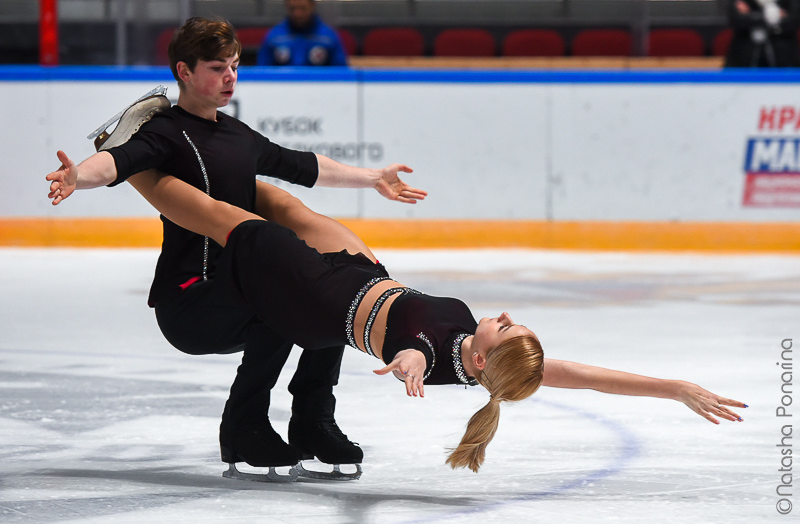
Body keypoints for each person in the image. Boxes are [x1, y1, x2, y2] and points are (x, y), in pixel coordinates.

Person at [80, 167, 747, 474]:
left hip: (320, 295)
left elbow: (414, 356)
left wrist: (406, 366)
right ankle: (203, 156)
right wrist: (675, 387)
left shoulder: (433, 350)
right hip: (364, 273)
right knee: (281, 200)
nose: (507, 317)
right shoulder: (490, 367)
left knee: (234, 222)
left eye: (507, 329)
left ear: (482, 360)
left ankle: (129, 159)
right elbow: (586, 377)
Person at [46, 16, 426, 477]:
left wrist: (372, 178)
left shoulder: (236, 134)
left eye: (234, 66)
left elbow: (302, 165)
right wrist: (77, 177)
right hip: (191, 298)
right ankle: (244, 428)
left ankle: (312, 422)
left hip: (239, 287)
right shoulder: (165, 133)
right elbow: (117, 161)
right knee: (289, 299)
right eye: (216, 68)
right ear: (184, 71)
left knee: (333, 296)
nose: (229, 78)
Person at [256, 0, 349, 67]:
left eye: (303, 8)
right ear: (286, 6)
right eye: (293, 9)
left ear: (312, 5)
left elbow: (341, 73)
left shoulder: (328, 37)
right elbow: (262, 72)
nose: (298, 14)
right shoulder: (274, 37)